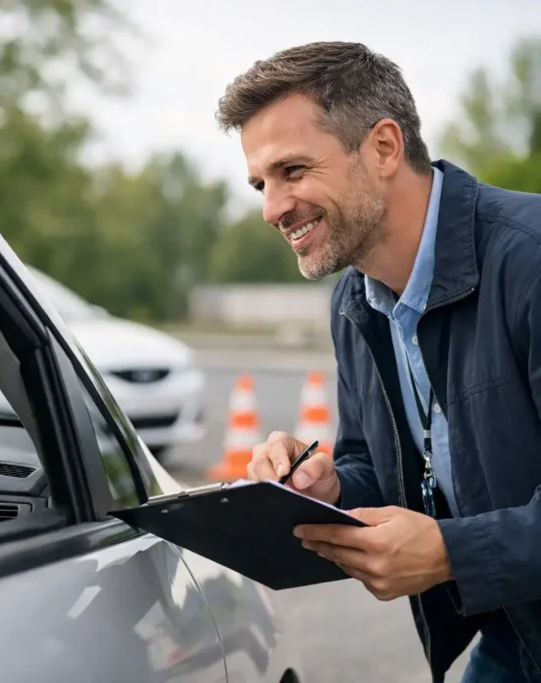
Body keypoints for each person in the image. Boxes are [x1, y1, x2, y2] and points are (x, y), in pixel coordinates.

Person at [218, 42, 541, 683]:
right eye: (261, 184)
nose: (272, 209)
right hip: (515, 631)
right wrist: (327, 486)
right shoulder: (354, 300)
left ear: (385, 147)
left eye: (292, 170)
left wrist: (451, 552)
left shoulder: (530, 259)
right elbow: (377, 463)